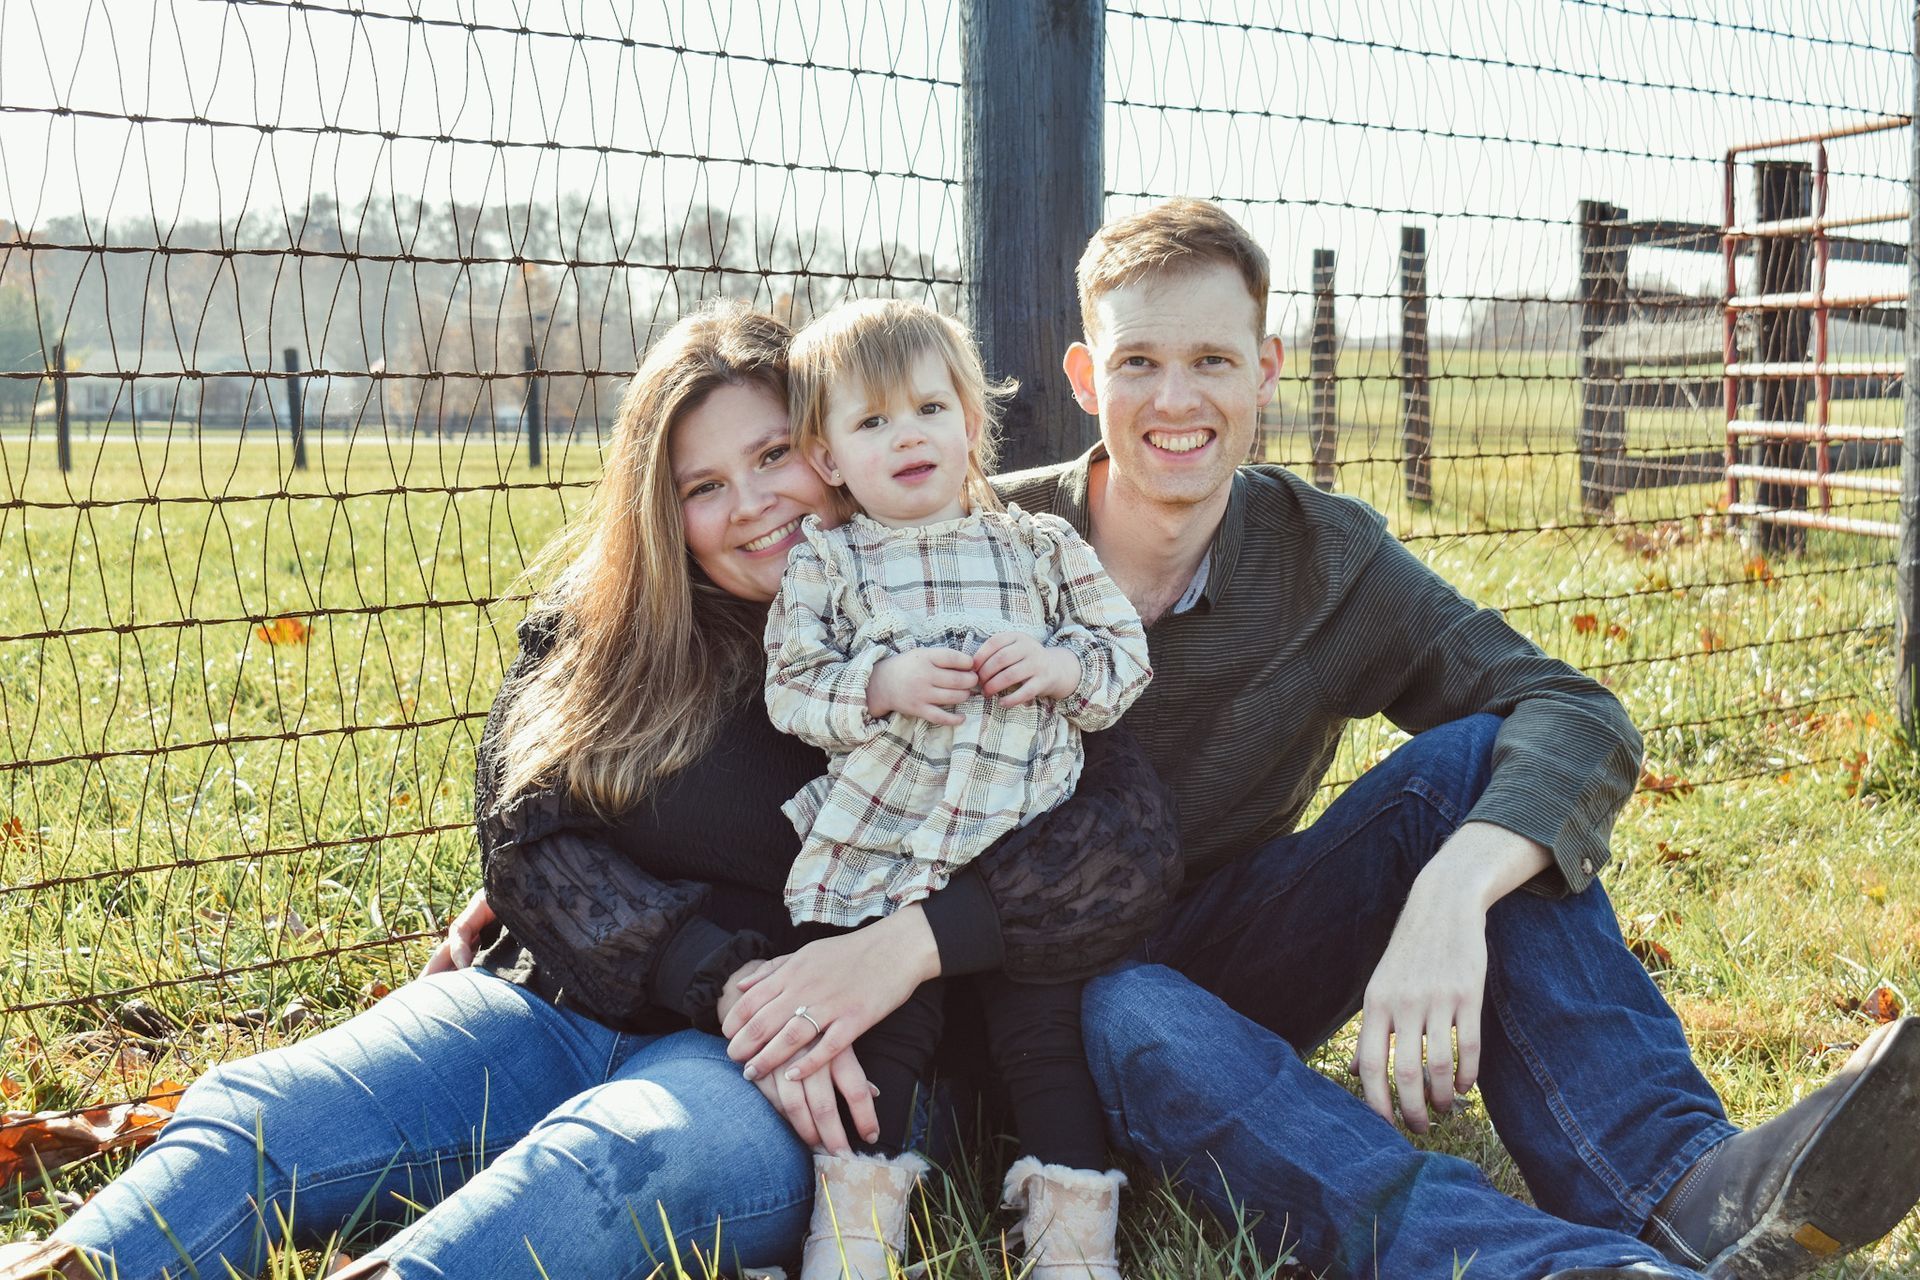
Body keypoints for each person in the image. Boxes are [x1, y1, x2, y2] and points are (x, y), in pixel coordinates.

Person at [712, 198, 1920, 1280]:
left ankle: (1679, 1189)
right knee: (1128, 1004)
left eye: (1212, 360)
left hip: (1233, 949)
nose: (1176, 400)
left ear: (1267, 369)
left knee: (1467, 773)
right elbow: (738, 622)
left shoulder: (1324, 559)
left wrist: (1451, 891)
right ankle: (1534, 1265)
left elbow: (1572, 709)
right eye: (1140, 361)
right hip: (1013, 1006)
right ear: (1087, 375)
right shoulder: (965, 532)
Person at [0, 301, 1168, 1280]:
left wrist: (900, 950)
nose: (752, 502)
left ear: (832, 441)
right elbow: (527, 835)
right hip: (555, 1005)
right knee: (263, 1113)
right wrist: (720, 972)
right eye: (703, 484)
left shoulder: (982, 602)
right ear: (663, 508)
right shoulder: (605, 631)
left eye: (773, 456)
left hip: (786, 1069)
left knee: (589, 1169)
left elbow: (1123, 840)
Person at [761, 297, 1175, 1279]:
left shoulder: (1038, 546)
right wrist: (879, 683)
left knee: (1049, 1043)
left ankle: (1074, 1248)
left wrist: (1057, 663)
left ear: (969, 424)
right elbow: (792, 684)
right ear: (828, 460)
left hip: (1022, 859)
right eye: (870, 422)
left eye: (928, 409)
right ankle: (852, 1246)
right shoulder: (832, 558)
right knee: (880, 1048)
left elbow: (1123, 652)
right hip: (887, 853)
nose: (906, 435)